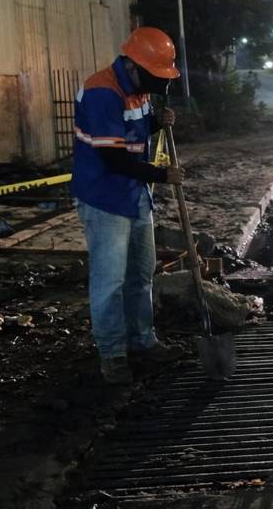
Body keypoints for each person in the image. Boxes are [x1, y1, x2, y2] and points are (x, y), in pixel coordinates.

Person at [72, 27, 186, 384]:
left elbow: (133, 133)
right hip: (105, 197)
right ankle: (113, 354)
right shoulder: (101, 91)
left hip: (136, 195)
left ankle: (143, 341)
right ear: (135, 65)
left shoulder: (138, 90)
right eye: (156, 77)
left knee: (140, 274)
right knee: (110, 281)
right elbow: (113, 157)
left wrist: (156, 122)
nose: (159, 86)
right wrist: (161, 175)